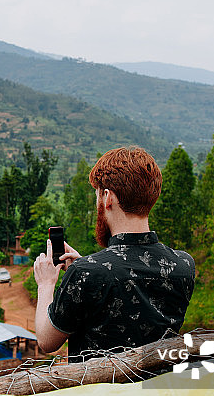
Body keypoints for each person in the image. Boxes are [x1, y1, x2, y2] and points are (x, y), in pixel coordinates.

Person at [33, 146, 195, 361]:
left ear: (108, 197)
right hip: (160, 381)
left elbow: (47, 341)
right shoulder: (184, 265)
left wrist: (46, 284)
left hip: (101, 383)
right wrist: (87, 270)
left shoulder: (86, 273)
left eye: (98, 196)